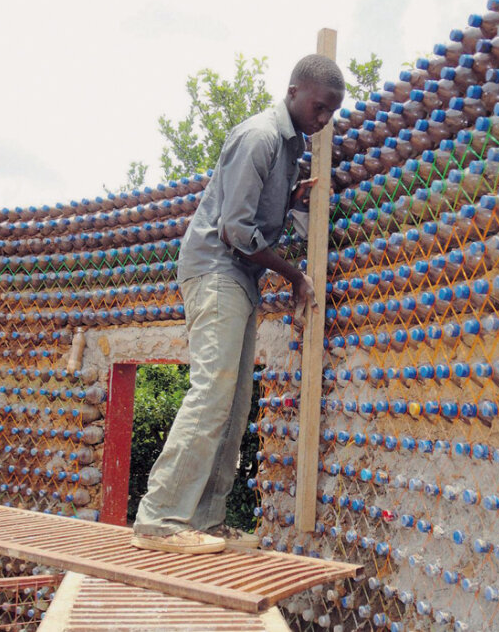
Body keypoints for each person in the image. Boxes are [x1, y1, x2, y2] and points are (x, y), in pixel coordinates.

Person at [131, 54, 345, 554]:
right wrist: (295, 275)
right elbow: (233, 228)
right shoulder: (261, 137)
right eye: (319, 107)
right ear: (294, 92)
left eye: (331, 112)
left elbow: (256, 210)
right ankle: (160, 518)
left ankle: (204, 521)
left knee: (235, 402)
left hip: (239, 277)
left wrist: (290, 196)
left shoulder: (289, 148)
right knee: (211, 391)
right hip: (216, 269)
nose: (324, 120)